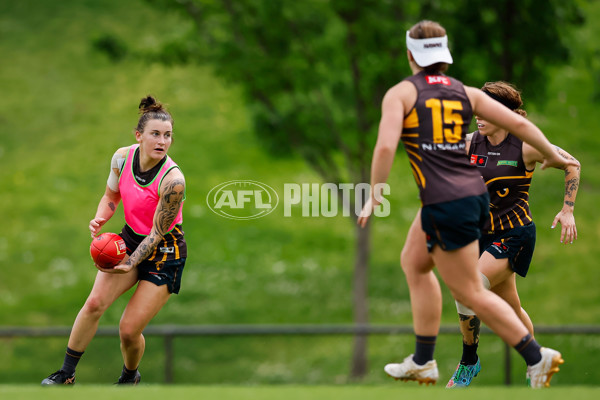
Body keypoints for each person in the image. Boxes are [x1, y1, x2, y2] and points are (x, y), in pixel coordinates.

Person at [358, 20, 579, 388]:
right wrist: (548, 151)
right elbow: (525, 127)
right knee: (414, 262)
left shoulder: (401, 93)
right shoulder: (465, 93)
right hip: (463, 205)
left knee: (469, 290)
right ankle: (425, 359)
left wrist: (374, 194)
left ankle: (533, 355)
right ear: (445, 54)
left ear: (410, 54)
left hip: (459, 205)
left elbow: (384, 146)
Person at [41, 95, 187, 385]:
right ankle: (65, 374)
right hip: (130, 239)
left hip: (164, 252)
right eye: (155, 134)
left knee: (128, 330)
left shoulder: (173, 181)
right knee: (94, 303)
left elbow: (157, 233)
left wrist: (131, 263)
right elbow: (111, 195)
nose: (162, 141)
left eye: (167, 135)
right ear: (139, 136)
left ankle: (129, 377)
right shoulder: (122, 157)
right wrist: (100, 218)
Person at [445, 81, 580, 388]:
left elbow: (572, 164)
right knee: (511, 308)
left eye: (485, 108)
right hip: (480, 235)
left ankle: (469, 361)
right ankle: (537, 363)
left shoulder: (525, 145)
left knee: (470, 286)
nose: (478, 114)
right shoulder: (469, 143)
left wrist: (568, 209)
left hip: (515, 233)